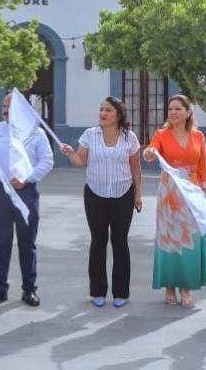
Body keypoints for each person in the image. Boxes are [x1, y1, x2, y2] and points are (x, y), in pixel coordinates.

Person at [59, 97, 143, 308]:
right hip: (95, 194)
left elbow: (135, 168)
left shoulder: (129, 137)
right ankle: (97, 291)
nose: (103, 113)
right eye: (101, 110)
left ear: (118, 114)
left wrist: (138, 194)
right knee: (98, 241)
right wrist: (70, 154)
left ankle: (121, 293)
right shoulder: (89, 135)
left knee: (120, 241)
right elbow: (80, 162)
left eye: (108, 110)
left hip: (123, 193)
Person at [0, 92, 54, 307]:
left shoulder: (35, 134)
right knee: (2, 244)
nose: (6, 110)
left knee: (27, 244)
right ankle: (0, 290)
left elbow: (47, 160)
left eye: (11, 107)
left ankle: (29, 290)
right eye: (4, 106)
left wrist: (27, 178)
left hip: (26, 193)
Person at [142, 94, 206, 308]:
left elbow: (204, 165)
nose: (173, 112)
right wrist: (149, 152)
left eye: (178, 109)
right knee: (169, 240)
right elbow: (148, 153)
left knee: (189, 241)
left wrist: (205, 189)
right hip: (169, 194)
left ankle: (186, 288)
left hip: (192, 193)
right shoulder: (161, 134)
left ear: (188, 112)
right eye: (170, 109)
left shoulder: (198, 136)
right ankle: (169, 287)